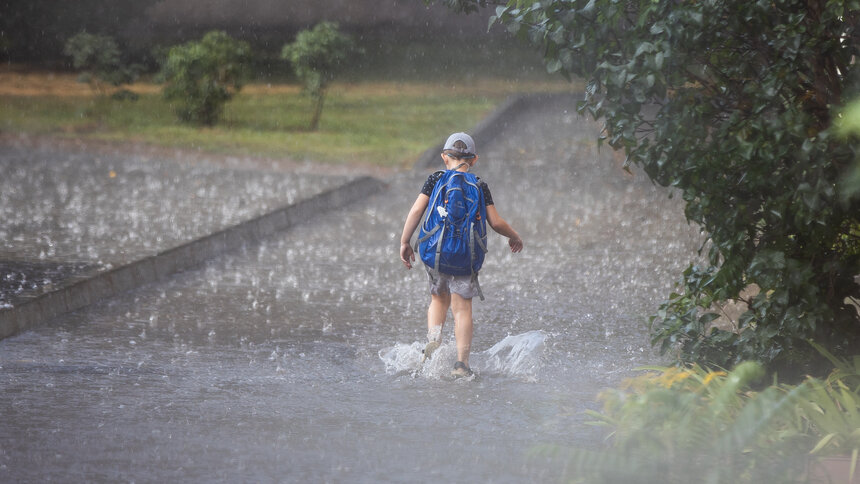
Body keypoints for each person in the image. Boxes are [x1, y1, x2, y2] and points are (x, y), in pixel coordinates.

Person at [399, 132, 524, 377]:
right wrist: (514, 236)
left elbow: (416, 210)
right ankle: (461, 365)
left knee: (438, 299)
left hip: (435, 252)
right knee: (462, 308)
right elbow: (496, 222)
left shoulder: (435, 179)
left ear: (445, 157)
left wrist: (405, 241)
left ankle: (433, 340)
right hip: (466, 257)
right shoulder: (479, 185)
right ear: (474, 160)